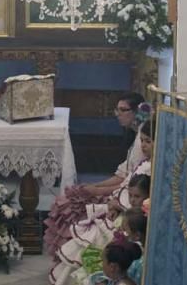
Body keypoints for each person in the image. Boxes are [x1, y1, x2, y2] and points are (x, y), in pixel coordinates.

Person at [42, 96, 149, 265]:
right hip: (119, 190)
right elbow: (122, 174)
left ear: (136, 112)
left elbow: (126, 183)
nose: (118, 114)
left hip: (123, 197)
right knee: (71, 197)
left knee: (70, 206)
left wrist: (96, 191)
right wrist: (94, 186)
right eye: (117, 109)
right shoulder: (136, 137)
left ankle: (73, 262)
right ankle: (65, 260)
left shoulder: (140, 145)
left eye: (123, 110)